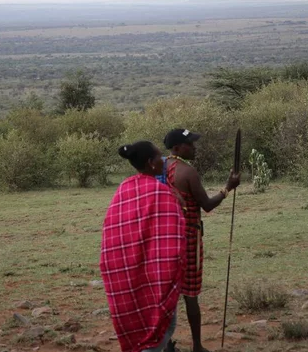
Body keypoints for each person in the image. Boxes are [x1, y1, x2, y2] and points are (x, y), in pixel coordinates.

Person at [100, 141, 186, 352]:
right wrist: (179, 203)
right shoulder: (162, 193)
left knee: (139, 320)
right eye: (159, 157)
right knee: (163, 325)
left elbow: (115, 229)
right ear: (151, 163)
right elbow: (173, 235)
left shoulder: (124, 188)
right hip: (155, 272)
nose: (163, 160)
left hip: (127, 268)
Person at [163, 129, 241, 352]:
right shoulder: (187, 172)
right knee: (190, 293)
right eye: (190, 144)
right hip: (188, 239)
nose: (194, 148)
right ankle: (197, 346)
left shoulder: (161, 167)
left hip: (166, 237)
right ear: (178, 148)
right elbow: (206, 205)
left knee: (168, 293)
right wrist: (228, 188)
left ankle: (166, 344)